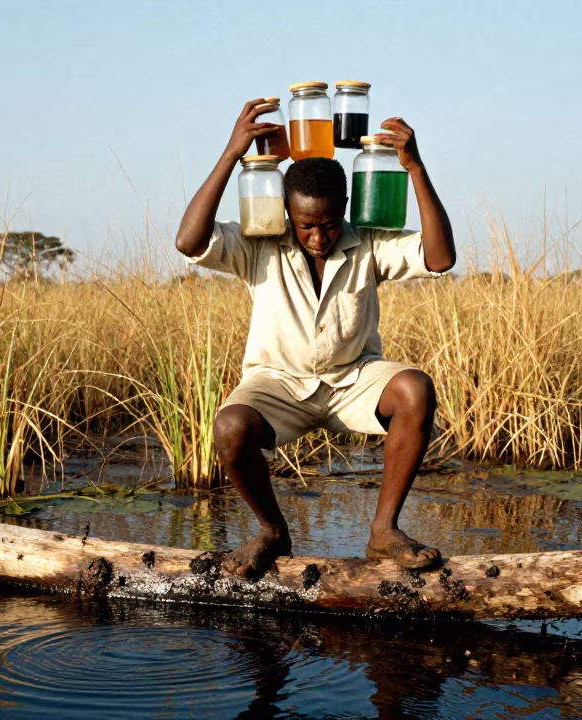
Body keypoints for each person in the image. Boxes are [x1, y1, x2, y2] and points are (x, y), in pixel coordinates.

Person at [173, 99, 456, 579]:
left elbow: (440, 256)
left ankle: (384, 531)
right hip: (277, 384)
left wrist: (415, 167)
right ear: (286, 212)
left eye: (327, 224)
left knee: (415, 388)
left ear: (344, 209)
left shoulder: (367, 239)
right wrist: (231, 154)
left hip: (353, 379)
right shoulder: (259, 242)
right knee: (229, 428)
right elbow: (189, 242)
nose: (318, 237)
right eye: (305, 225)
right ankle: (271, 531)